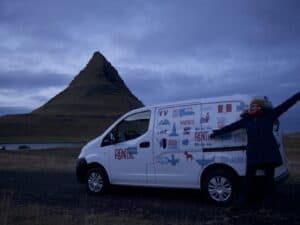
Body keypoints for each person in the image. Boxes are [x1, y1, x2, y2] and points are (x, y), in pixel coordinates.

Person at [210, 92, 300, 209]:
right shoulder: (246, 120)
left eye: (257, 106)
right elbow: (231, 127)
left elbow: (285, 105)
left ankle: (268, 202)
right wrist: (216, 133)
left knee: (269, 181)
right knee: (248, 180)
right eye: (252, 106)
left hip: (268, 153)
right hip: (253, 154)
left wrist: (297, 96)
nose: (254, 108)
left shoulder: (270, 115)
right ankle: (242, 201)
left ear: (262, 107)